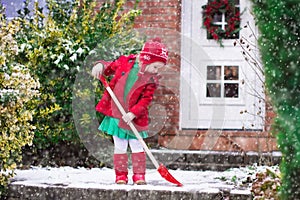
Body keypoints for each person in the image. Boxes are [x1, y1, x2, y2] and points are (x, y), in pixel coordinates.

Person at [91, 38, 168, 185]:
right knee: (120, 145)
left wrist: (133, 113)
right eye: (156, 67)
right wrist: (100, 65)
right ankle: (121, 175)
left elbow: (146, 100)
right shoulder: (125, 62)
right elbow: (108, 68)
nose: (156, 71)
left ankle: (139, 176)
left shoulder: (151, 79)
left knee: (137, 145)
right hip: (116, 113)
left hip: (135, 118)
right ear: (146, 60)